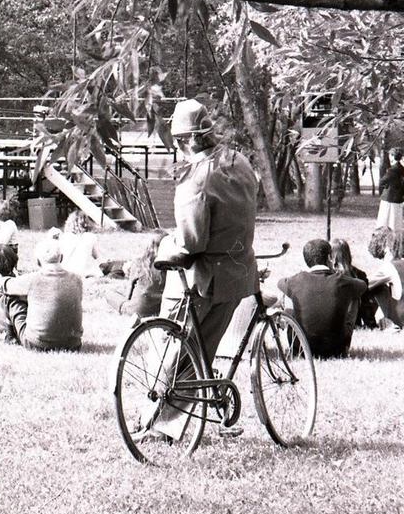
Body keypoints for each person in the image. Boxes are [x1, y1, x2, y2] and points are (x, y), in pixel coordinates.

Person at [143, 98, 259, 443]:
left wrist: (168, 245)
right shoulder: (239, 162)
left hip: (202, 278)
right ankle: (170, 423)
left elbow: (191, 242)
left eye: (177, 142)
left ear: (188, 140)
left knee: (169, 348)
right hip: (238, 273)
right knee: (202, 352)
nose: (177, 148)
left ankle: (159, 423)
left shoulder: (195, 179)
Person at [276, 239, 368, 358]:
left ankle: (293, 336)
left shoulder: (295, 280)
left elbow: (280, 283)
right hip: (336, 349)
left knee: (288, 294)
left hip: (301, 348)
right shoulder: (342, 281)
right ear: (330, 257)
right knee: (354, 297)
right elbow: (362, 285)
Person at [379, 147, 404, 230]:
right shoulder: (402, 169)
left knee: (385, 222)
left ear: (393, 156)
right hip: (399, 198)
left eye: (390, 155)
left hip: (389, 198)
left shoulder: (392, 170)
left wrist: (386, 186)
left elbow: (382, 181)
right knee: (396, 222)